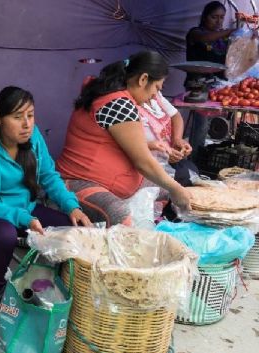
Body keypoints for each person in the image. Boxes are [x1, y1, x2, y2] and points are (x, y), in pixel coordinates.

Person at [0, 86, 91, 308]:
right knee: (5, 234)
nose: (27, 124)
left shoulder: (33, 137)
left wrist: (72, 207)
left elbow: (49, 176)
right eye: (17, 117)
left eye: (30, 115)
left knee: (69, 227)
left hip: (26, 208)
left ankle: (59, 287)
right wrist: (24, 218)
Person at [56, 50, 192, 227]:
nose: (154, 96)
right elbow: (142, 162)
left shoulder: (112, 95)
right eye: (156, 88)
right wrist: (175, 188)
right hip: (76, 182)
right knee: (120, 214)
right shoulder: (118, 104)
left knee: (176, 192)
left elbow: (118, 142)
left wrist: (174, 188)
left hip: (111, 180)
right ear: (143, 79)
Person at [185, 1, 235, 157]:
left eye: (222, 17)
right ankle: (193, 161)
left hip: (220, 88)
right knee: (201, 126)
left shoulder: (223, 39)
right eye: (214, 17)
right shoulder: (195, 33)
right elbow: (205, 38)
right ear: (205, 17)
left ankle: (208, 158)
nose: (219, 21)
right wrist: (229, 31)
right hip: (199, 86)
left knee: (218, 128)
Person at [137, 91, 197, 186]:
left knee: (192, 170)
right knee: (184, 177)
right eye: (156, 86)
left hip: (166, 159)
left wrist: (177, 139)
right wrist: (162, 152)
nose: (159, 89)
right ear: (143, 80)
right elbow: (133, 145)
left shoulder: (156, 95)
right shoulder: (129, 106)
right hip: (149, 164)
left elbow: (175, 116)